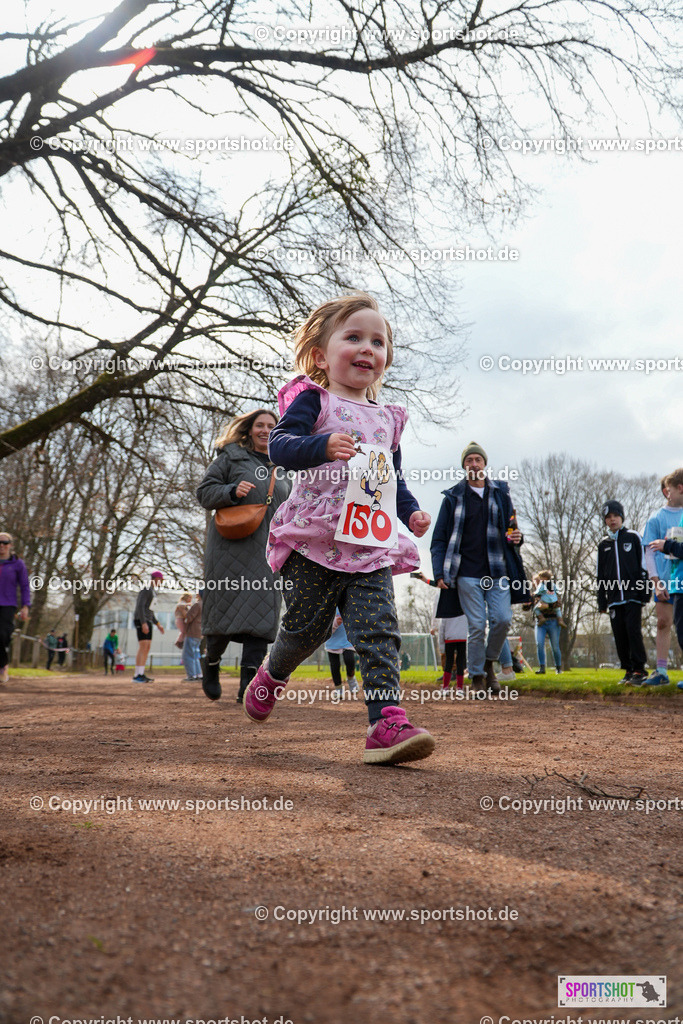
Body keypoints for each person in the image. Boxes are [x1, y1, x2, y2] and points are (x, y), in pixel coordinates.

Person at [243, 292, 435, 765]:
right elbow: (281, 447)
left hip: (367, 543)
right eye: (353, 337)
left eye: (378, 341)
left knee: (377, 628)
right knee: (305, 630)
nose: (368, 348)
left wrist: (409, 512)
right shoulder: (315, 400)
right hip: (313, 540)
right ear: (319, 356)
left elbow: (392, 478)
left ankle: (385, 723)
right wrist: (322, 445)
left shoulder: (388, 419)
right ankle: (273, 672)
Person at [197, 408, 292, 703]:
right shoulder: (230, 457)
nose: (265, 430)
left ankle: (247, 685)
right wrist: (231, 491)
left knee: (262, 621)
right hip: (229, 550)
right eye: (259, 425)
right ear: (249, 429)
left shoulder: (286, 466)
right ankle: (211, 663)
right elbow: (204, 493)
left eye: (270, 426)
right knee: (222, 615)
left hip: (269, 552)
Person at [431, 442, 528, 695]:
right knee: (476, 625)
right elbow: (439, 539)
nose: (474, 464)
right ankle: (476, 677)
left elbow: (512, 529)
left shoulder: (500, 493)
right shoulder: (453, 497)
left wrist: (517, 536)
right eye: (469, 460)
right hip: (467, 573)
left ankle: (487, 663)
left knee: (503, 620)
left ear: (485, 464)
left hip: (498, 571)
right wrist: (439, 573)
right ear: (464, 465)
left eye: (478, 460)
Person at [597, 500, 650, 684]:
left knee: (633, 631)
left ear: (621, 517)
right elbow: (600, 575)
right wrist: (601, 601)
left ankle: (639, 670)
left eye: (615, 516)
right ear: (605, 521)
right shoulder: (603, 544)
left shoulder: (633, 537)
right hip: (613, 599)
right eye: (608, 517)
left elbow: (644, 566)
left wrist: (645, 591)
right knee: (619, 634)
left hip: (633, 596)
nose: (612, 520)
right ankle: (627, 670)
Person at [642, 471, 683, 685]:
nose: (667, 493)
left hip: (682, 579)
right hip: (665, 580)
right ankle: (661, 671)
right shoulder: (656, 518)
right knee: (663, 623)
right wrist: (657, 583)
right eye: (665, 490)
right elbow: (649, 552)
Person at [0, 531, 30, 685]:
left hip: (8, 604)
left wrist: (25, 606)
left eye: (5, 543)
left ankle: (3, 665)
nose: (1, 546)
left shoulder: (18, 564)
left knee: (3, 635)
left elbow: (24, 585)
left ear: (10, 545)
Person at [132, 571, 165, 683]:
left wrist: (158, 624)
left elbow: (150, 610)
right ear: (156, 579)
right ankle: (137, 675)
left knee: (147, 647)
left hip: (148, 621)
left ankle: (141, 673)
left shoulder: (153, 592)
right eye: (161, 580)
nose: (161, 582)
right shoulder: (146, 590)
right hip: (141, 620)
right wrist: (143, 623)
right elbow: (140, 606)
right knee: (143, 646)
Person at [529, 571, 563, 674]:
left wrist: (547, 606)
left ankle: (558, 668)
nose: (536, 583)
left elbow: (558, 603)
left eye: (537, 581)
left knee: (555, 646)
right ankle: (542, 668)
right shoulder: (534, 595)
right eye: (534, 581)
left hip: (553, 621)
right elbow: (527, 607)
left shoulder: (551, 589)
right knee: (539, 644)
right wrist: (526, 604)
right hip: (540, 623)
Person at [326, 609, 358, 695]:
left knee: (350, 660)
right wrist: (335, 623)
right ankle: (338, 689)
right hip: (331, 640)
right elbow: (324, 627)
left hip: (347, 639)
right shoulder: (329, 605)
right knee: (335, 666)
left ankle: (351, 679)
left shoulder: (347, 603)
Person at [182, 593, 202, 682]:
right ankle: (198, 674)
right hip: (200, 633)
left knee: (188, 655)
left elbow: (189, 617)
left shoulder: (197, 604)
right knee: (195, 655)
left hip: (192, 632)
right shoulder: (207, 604)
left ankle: (191, 675)